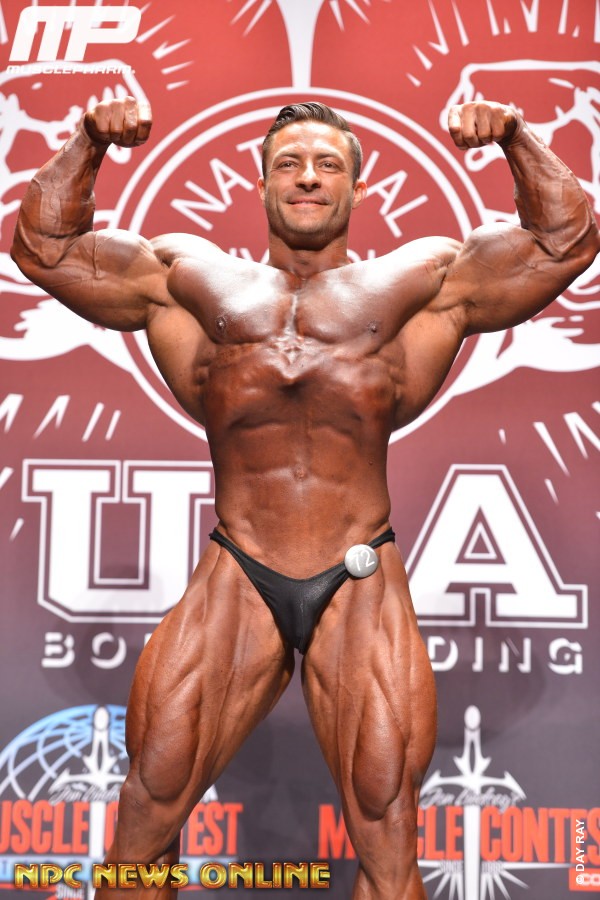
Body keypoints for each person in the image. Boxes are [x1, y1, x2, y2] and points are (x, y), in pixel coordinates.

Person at [11, 97, 598, 899]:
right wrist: (87, 141)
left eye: (328, 164)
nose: (309, 177)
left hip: (358, 572)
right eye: (288, 163)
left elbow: (568, 240)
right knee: (148, 806)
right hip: (240, 565)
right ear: (260, 185)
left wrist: (515, 136)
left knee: (387, 830)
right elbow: (44, 248)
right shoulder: (188, 278)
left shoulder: (420, 282)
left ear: (357, 186)